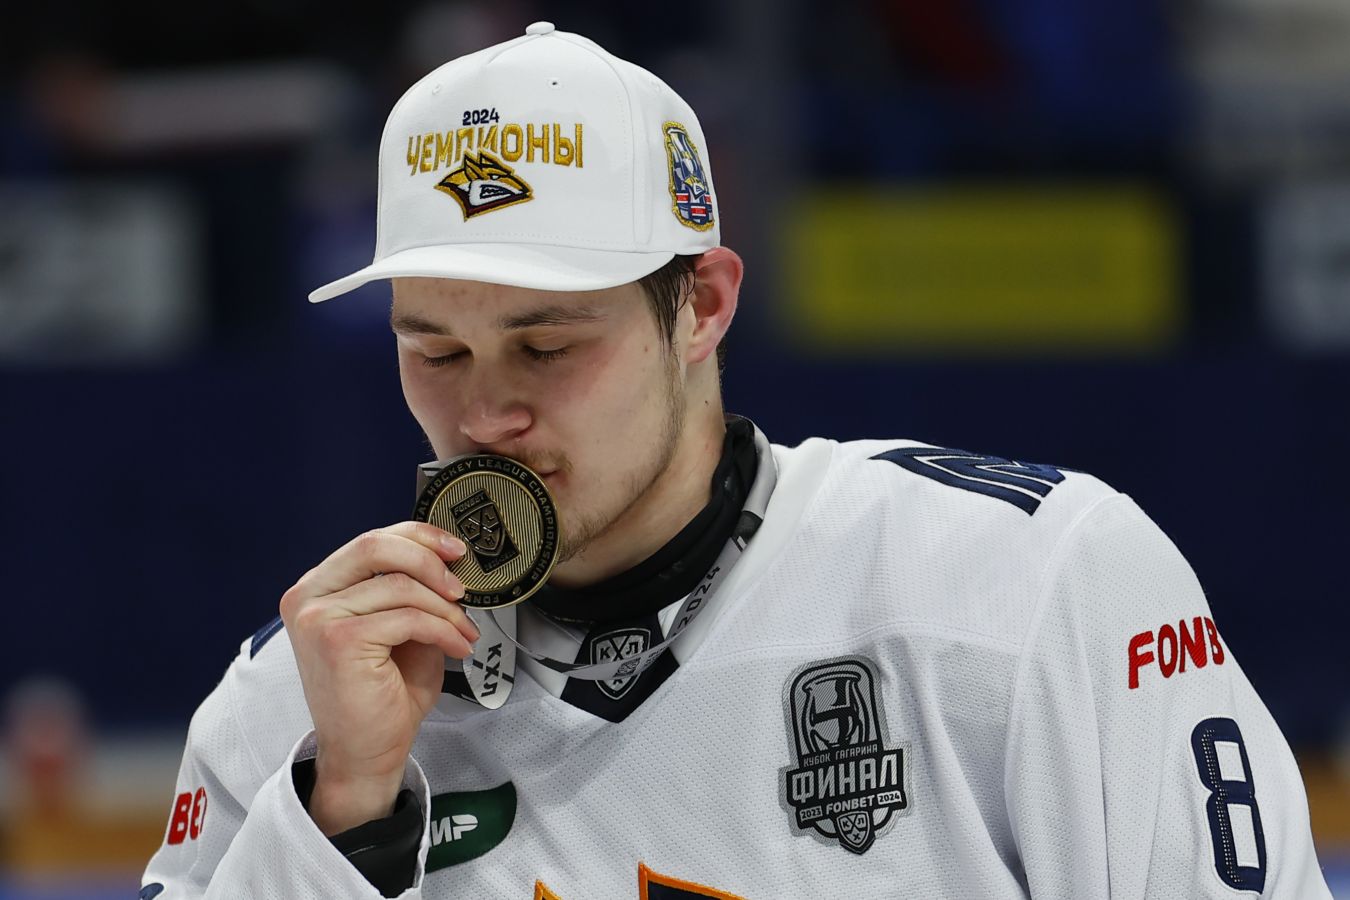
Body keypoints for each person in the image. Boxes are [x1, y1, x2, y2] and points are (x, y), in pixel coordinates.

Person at [141, 22, 1333, 900]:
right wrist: (341, 817)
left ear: (701, 305)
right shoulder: (295, 707)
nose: (486, 414)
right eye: (434, 349)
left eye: (547, 345)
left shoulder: (1030, 586)